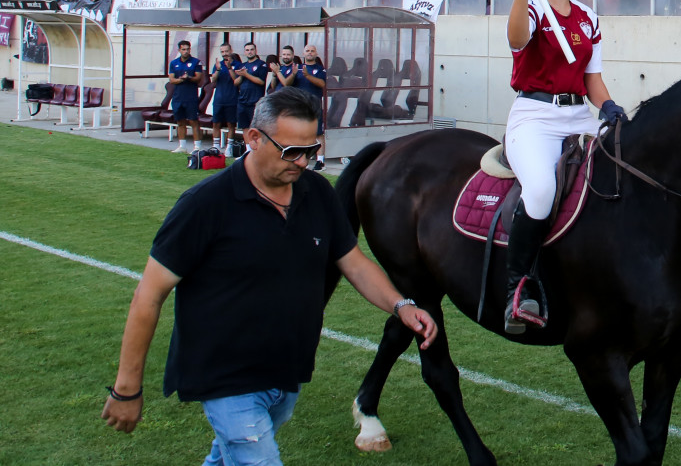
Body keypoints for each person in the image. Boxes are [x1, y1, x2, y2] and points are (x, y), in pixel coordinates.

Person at [100, 88, 439, 463]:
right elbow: (149, 295)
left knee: (226, 457)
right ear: (253, 138)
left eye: (311, 151)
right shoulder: (205, 206)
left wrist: (402, 306)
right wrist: (126, 389)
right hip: (224, 375)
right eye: (291, 151)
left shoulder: (317, 194)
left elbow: (353, 262)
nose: (302, 162)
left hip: (286, 371)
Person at [504, 0, 627, 333]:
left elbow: (592, 78)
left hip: (579, 116)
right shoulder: (532, 6)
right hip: (535, 117)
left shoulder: (588, 17)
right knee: (540, 192)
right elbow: (517, 40)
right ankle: (518, 286)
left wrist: (608, 105)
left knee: (621, 179)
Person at [168, 40, 205, 154]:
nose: (186, 51)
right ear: (179, 50)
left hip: (191, 97)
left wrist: (188, 77)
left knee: (193, 121)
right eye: (183, 49)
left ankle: (197, 146)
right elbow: (172, 79)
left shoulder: (196, 62)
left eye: (187, 49)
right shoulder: (174, 63)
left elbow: (198, 78)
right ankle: (182, 146)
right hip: (178, 97)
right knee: (180, 122)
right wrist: (181, 79)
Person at [296, 44, 328, 171]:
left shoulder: (320, 69)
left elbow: (322, 84)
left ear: (316, 54)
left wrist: (308, 76)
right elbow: (288, 83)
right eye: (307, 51)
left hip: (314, 106)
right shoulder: (297, 68)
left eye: (312, 51)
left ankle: (320, 161)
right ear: (303, 53)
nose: (310, 53)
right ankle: (303, 158)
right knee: (301, 133)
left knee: (318, 133)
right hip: (300, 106)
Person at [209, 43, 242, 157]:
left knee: (231, 124)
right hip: (219, 98)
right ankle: (216, 146)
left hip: (232, 98)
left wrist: (229, 68)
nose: (224, 54)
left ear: (231, 50)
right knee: (216, 123)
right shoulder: (218, 64)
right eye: (222, 52)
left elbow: (237, 81)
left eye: (226, 51)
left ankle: (229, 147)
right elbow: (213, 80)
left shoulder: (237, 64)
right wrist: (217, 70)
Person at [234, 41, 269, 143]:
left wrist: (246, 74)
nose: (249, 52)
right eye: (247, 50)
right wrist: (241, 75)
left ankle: (257, 150)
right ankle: (248, 150)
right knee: (245, 127)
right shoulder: (242, 65)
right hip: (242, 101)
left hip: (255, 101)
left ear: (255, 51)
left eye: (251, 50)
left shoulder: (261, 64)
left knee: (256, 128)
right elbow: (236, 83)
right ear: (244, 52)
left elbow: (261, 82)